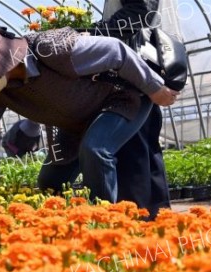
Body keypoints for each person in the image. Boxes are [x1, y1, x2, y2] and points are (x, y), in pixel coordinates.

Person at [0, 21, 179, 207]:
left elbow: (116, 51)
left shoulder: (52, 50)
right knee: (49, 182)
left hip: (120, 101)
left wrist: (155, 88)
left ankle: (107, 220)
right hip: (75, 125)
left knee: (95, 150)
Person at [90, 0, 178, 219]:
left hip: (135, 68)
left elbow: (139, 12)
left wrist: (96, 34)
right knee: (146, 144)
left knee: (132, 146)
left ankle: (137, 217)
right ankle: (158, 217)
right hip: (143, 66)